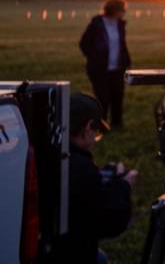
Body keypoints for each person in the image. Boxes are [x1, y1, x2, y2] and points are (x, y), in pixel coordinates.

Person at [54, 93, 137, 263]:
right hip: (72, 253)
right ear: (88, 127)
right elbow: (109, 223)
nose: (96, 138)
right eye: (97, 132)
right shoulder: (81, 168)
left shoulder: (47, 155)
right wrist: (124, 185)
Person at [79, 0, 131, 128]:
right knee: (102, 98)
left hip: (117, 68)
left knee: (117, 96)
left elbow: (121, 45)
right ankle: (101, 125)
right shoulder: (97, 24)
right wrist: (94, 57)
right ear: (115, 10)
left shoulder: (120, 25)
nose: (124, 13)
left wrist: (127, 61)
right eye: (122, 10)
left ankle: (117, 124)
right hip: (99, 69)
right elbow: (84, 43)